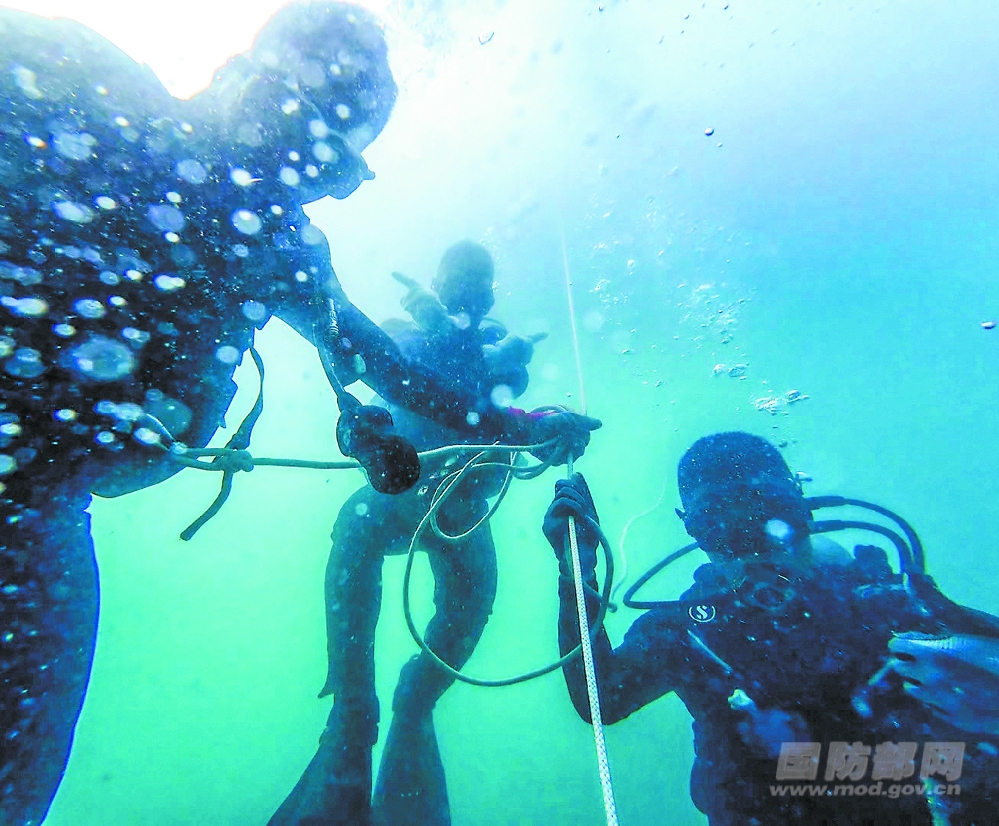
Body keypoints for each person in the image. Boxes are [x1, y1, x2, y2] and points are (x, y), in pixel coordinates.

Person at [0, 6, 597, 824]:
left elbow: (390, 376)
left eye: (337, 175)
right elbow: (395, 372)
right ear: (242, 85)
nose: (312, 184)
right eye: (319, 155)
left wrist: (523, 424)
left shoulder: (269, 240)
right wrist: (519, 424)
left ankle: (356, 749)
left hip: (37, 513)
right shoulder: (68, 83)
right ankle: (349, 743)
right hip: (35, 516)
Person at [543, 432, 998, 826]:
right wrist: (577, 574)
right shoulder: (687, 632)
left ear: (803, 504)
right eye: (722, 525)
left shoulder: (884, 601)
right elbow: (602, 698)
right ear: (694, 531)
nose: (753, 548)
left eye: (767, 512)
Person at [269, 241, 547, 826]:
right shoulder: (402, 331)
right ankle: (351, 709)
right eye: (460, 279)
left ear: (492, 295)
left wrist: (488, 348)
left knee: (469, 609)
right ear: (438, 283)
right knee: (355, 524)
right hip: (396, 502)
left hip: (463, 517)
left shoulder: (498, 352)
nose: (472, 293)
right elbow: (392, 377)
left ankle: (414, 700)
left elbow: (498, 392)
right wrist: (432, 327)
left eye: (482, 283)